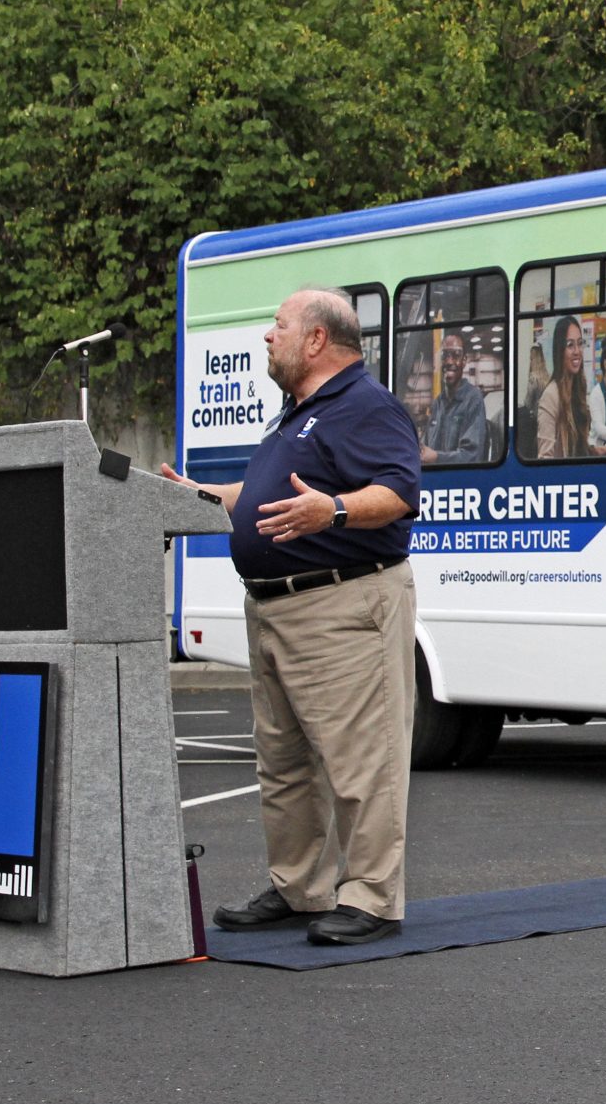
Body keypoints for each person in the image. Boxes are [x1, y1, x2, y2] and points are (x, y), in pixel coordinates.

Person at [160, 287, 421, 947]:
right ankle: (299, 886)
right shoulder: (296, 412)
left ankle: (371, 896)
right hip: (275, 607)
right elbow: (263, 496)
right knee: (283, 762)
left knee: (362, 759)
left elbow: (398, 492)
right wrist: (197, 495)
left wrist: (330, 512)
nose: (266, 338)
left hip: (341, 603)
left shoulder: (365, 404)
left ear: (316, 341)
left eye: (278, 326)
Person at [423, 328, 489, 465]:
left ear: (464, 361)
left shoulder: (473, 400)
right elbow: (425, 450)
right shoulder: (437, 404)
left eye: (456, 355)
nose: (449, 361)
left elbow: (472, 456)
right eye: (445, 355)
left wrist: (436, 458)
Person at [535, 314, 594, 459]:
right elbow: (544, 459)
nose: (577, 351)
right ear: (560, 351)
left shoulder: (579, 389)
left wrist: (595, 451)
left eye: (580, 343)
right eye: (570, 345)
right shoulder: (550, 396)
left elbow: (579, 447)